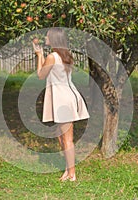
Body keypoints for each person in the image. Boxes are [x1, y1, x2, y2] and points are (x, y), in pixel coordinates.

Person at [32, 28, 89, 181]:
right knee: (60, 135)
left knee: (67, 138)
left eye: (48, 35)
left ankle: (72, 174)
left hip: (63, 100)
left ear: (54, 39)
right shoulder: (66, 56)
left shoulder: (52, 56)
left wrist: (39, 55)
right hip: (68, 96)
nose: (45, 37)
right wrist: (42, 55)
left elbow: (40, 75)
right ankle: (67, 169)